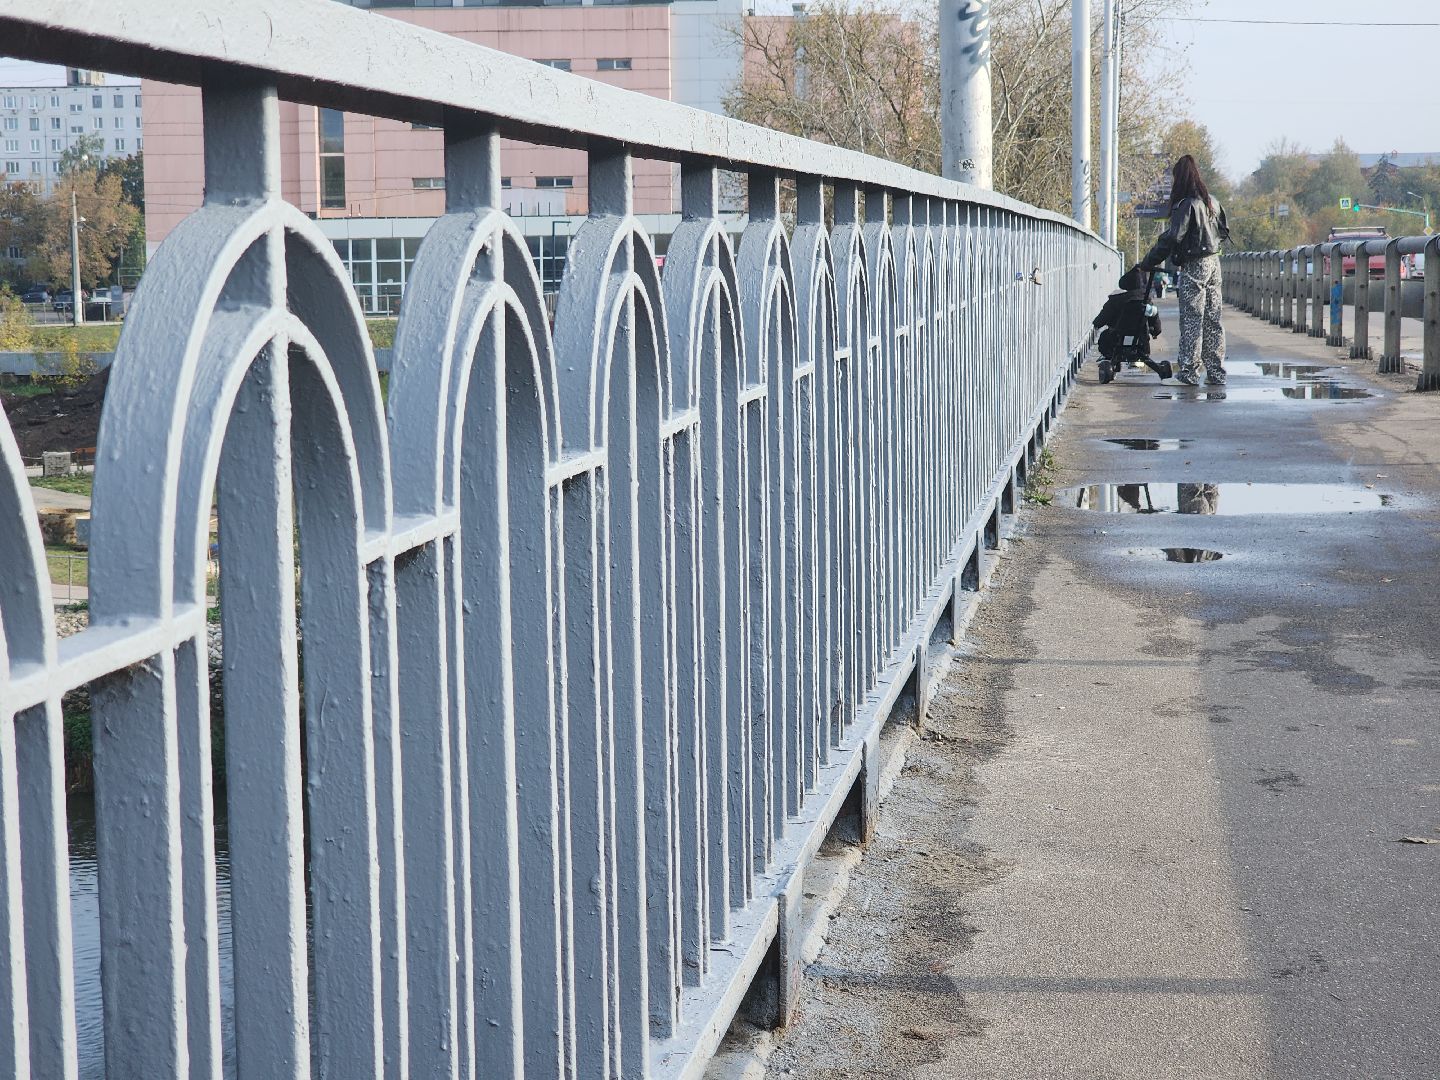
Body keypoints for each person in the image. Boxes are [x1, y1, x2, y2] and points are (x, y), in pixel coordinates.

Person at [1141, 155, 1229, 386]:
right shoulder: (1213, 202)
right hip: (1214, 263)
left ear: (1180, 178)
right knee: (1213, 319)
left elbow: (1173, 237)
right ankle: (1216, 373)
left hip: (1194, 265)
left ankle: (1189, 373)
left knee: (1191, 319)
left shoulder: (1186, 205)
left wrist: (1150, 260)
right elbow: (1223, 231)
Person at [1091, 265, 1168, 382]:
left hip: (1116, 342)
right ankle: (1163, 370)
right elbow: (1154, 320)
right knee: (1142, 341)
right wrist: (1155, 332)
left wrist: (1097, 324)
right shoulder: (1146, 301)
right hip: (1141, 343)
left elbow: (1100, 320)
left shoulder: (1115, 300)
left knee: (1105, 337)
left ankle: (1110, 364)